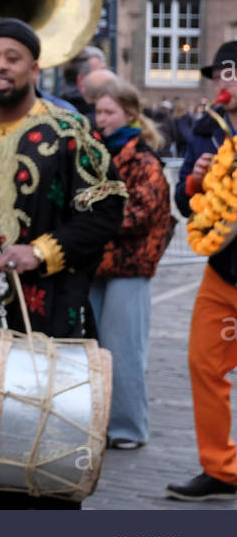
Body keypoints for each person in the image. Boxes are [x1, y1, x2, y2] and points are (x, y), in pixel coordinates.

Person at [0, 18, 125, 509]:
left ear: (34, 67)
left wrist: (39, 251)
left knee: (56, 463)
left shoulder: (67, 131)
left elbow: (107, 208)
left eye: (11, 58)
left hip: (56, 318)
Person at [167, 39, 237, 502]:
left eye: (229, 73)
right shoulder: (204, 128)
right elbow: (182, 199)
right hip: (223, 270)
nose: (221, 82)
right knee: (204, 364)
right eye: (218, 75)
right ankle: (221, 468)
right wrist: (196, 179)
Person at [91, 77, 171, 451]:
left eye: (108, 111)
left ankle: (127, 427)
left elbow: (140, 213)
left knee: (123, 349)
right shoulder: (94, 153)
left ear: (129, 114)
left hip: (130, 265)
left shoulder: (143, 158)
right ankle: (99, 422)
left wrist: (92, 219)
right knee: (96, 349)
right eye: (98, 110)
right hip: (96, 262)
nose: (100, 118)